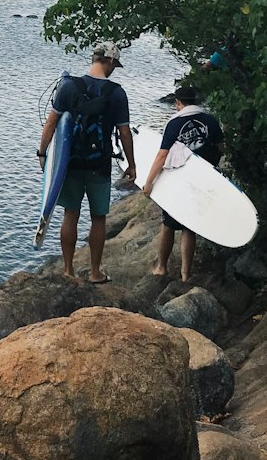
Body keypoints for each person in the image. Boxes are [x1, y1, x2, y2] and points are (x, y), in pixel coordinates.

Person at [38, 41, 135, 284]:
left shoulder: (69, 86)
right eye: (115, 65)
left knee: (70, 213)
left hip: (70, 162)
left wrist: (43, 154)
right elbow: (124, 133)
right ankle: (94, 273)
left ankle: (68, 271)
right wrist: (131, 164)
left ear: (94, 58)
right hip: (99, 163)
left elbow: (51, 124)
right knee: (98, 217)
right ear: (110, 61)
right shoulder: (116, 93)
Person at [142, 85, 224, 284]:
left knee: (169, 225)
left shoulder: (174, 124)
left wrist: (149, 181)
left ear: (178, 103)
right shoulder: (210, 120)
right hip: (202, 179)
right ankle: (185, 274)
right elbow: (221, 147)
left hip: (180, 180)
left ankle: (161, 267)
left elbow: (162, 155)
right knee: (189, 227)